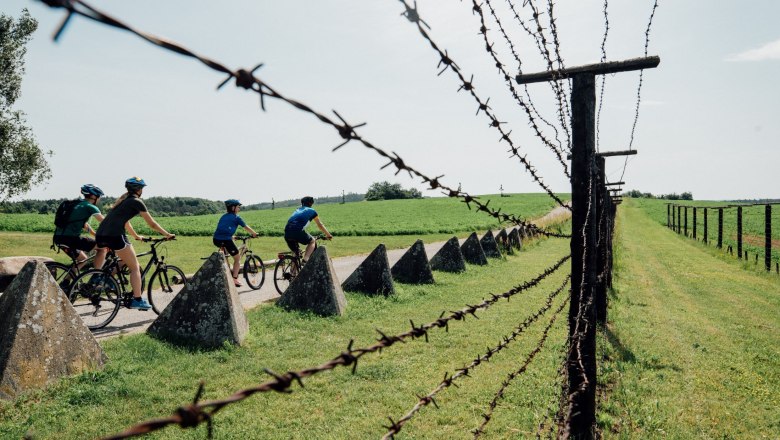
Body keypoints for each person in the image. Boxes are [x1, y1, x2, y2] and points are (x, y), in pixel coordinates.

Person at [95, 177, 175, 310]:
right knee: (135, 267)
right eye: (142, 188)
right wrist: (167, 235)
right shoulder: (137, 202)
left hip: (101, 235)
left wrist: (136, 236)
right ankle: (137, 299)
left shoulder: (123, 201)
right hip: (115, 235)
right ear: (139, 189)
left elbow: (125, 222)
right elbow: (152, 224)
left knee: (125, 259)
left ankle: (108, 279)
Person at [52, 184, 108, 270]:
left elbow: (84, 225)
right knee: (103, 248)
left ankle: (66, 282)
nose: (99, 199)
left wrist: (95, 234)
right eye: (99, 196)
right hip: (70, 239)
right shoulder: (90, 206)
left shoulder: (75, 204)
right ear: (93, 196)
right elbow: (106, 222)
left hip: (58, 238)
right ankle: (97, 274)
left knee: (83, 259)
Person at [213, 199, 258, 287]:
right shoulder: (237, 217)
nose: (239, 209)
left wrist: (231, 237)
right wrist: (254, 234)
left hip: (216, 239)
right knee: (237, 259)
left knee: (226, 257)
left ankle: (226, 273)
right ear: (233, 207)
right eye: (238, 207)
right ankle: (234, 280)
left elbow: (222, 229)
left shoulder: (223, 216)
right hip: (226, 240)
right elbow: (246, 227)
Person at [284, 196, 332, 263]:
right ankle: (306, 259)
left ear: (302, 203)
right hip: (297, 231)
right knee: (312, 241)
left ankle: (292, 272)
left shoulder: (297, 209)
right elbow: (320, 225)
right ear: (311, 204)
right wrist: (328, 235)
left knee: (296, 254)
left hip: (287, 233)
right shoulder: (312, 211)